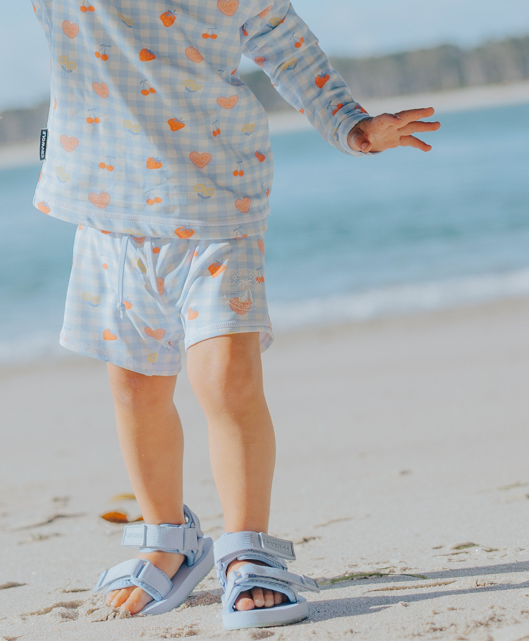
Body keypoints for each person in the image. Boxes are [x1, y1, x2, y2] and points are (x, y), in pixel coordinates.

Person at [30, 0, 440, 630]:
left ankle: (246, 549)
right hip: (110, 209)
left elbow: (288, 46)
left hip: (218, 200)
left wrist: (351, 124)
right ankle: (169, 540)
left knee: (227, 379)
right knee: (135, 390)